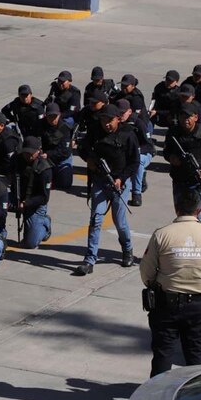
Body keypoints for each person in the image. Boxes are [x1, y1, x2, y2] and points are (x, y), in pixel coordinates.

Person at [140, 189, 201, 377]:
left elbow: (146, 273)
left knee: (163, 355)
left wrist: (161, 282)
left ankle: (156, 399)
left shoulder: (162, 234)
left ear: (176, 208)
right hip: (198, 304)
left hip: (166, 304)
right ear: (199, 210)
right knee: (196, 356)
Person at [76, 104, 139, 276]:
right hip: (99, 181)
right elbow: (82, 147)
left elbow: (134, 162)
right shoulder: (95, 131)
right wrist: (88, 159)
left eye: (110, 121)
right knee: (96, 218)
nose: (107, 124)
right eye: (104, 120)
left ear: (118, 119)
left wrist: (121, 178)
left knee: (119, 220)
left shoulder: (128, 135)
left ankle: (127, 249)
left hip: (120, 184)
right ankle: (89, 260)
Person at [163, 102, 201, 225]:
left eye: (188, 117)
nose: (185, 120)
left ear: (195, 117)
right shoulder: (173, 132)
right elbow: (166, 152)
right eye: (182, 116)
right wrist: (171, 158)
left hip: (198, 183)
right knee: (181, 217)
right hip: (180, 181)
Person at [13, 136, 53, 249]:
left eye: (31, 153)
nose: (28, 155)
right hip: (19, 197)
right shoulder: (18, 160)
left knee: (31, 243)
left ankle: (45, 224)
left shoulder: (45, 169)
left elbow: (44, 197)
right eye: (26, 152)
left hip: (36, 204)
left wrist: (26, 203)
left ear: (38, 151)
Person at [119, 99, 153, 207]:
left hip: (143, 153)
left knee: (138, 163)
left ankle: (136, 194)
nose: (121, 115)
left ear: (129, 111)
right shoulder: (116, 123)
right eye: (118, 113)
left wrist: (136, 151)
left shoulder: (139, 123)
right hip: (124, 154)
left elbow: (148, 145)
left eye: (123, 113)